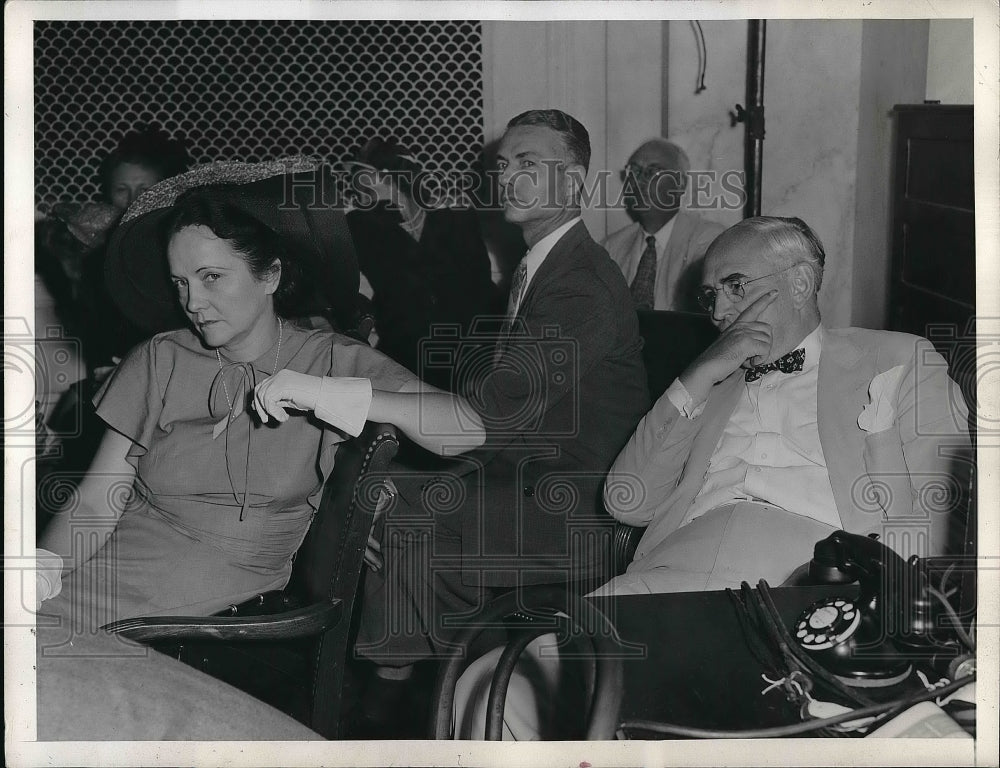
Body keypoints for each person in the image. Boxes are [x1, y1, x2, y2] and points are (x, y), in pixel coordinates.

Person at [453, 215, 972, 739]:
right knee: (488, 685)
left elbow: (935, 524)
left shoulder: (897, 358)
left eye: (736, 287)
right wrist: (697, 376)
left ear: (799, 283)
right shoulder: (707, 385)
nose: (719, 311)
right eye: (710, 296)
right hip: (667, 579)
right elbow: (626, 500)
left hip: (810, 589)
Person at [35, 157, 485, 634]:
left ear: (270, 275)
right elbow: (97, 501)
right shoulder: (158, 358)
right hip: (106, 573)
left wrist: (333, 395)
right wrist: (41, 570)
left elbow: (466, 429)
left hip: (206, 608)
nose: (192, 303)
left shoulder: (328, 360)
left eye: (211, 277)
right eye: (180, 283)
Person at [352, 109, 649, 732]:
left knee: (404, 521)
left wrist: (356, 397)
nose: (508, 177)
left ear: (574, 184)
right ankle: (439, 687)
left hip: (583, 513)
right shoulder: (541, 264)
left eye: (528, 165)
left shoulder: (581, 285)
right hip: (528, 482)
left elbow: (488, 416)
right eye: (504, 164)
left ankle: (391, 707)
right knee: (374, 499)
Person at [345, 138, 500, 390]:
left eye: (363, 176)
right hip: (403, 359)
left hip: (467, 357)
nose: (356, 187)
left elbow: (481, 289)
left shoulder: (458, 221)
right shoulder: (361, 227)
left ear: (390, 175)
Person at [603, 138, 724, 311]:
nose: (639, 181)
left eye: (653, 171)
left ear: (680, 184)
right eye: (635, 171)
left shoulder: (709, 241)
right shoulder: (612, 247)